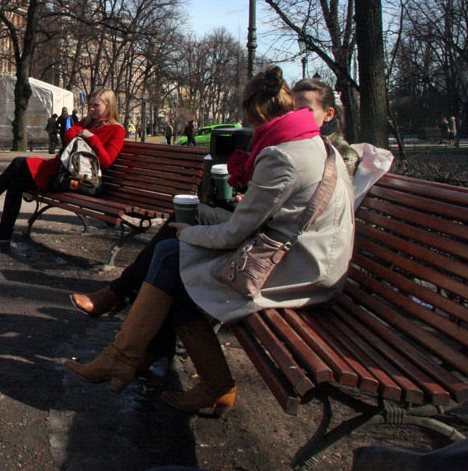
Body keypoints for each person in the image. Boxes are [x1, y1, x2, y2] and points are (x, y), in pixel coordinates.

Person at [64, 67, 355, 417]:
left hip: (302, 271)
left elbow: (235, 234)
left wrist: (192, 233)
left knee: (176, 256)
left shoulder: (283, 156)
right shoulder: (308, 143)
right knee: (176, 254)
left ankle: (129, 357)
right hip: (304, 255)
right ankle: (136, 358)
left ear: (254, 114)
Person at [0, 88, 126, 246]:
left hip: (80, 181)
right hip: (62, 172)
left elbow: (106, 161)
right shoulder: (89, 122)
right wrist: (82, 132)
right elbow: (68, 134)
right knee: (16, 181)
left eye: (96, 106)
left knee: (18, 163)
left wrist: (91, 138)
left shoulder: (116, 131)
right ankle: (2, 231)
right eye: (90, 105)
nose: (91, 109)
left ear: (109, 106)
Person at [292, 78, 360, 177]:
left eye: (306, 110)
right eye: (293, 110)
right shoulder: (294, 145)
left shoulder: (343, 154)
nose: (296, 115)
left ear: (328, 114)